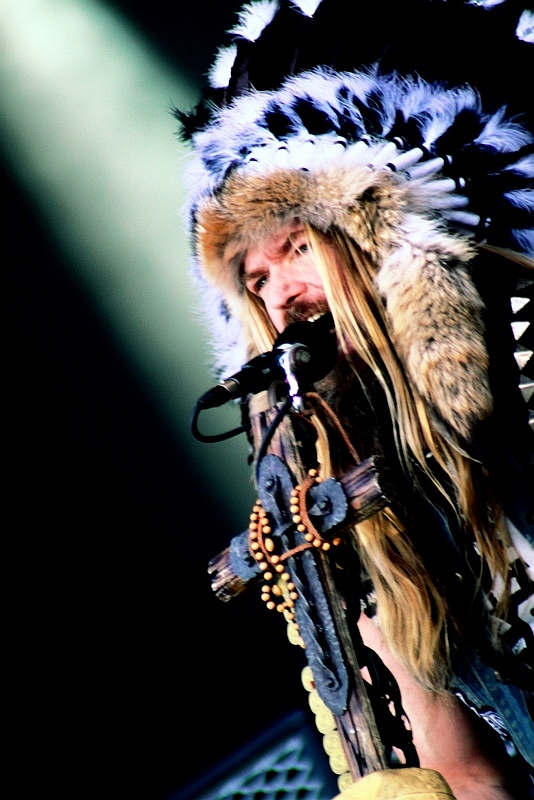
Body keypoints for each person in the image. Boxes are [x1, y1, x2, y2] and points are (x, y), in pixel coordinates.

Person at [176, 2, 533, 798]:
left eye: (297, 247)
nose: (283, 300)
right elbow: (466, 772)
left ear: (375, 241)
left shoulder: (525, 339)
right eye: (256, 283)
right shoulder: (362, 510)